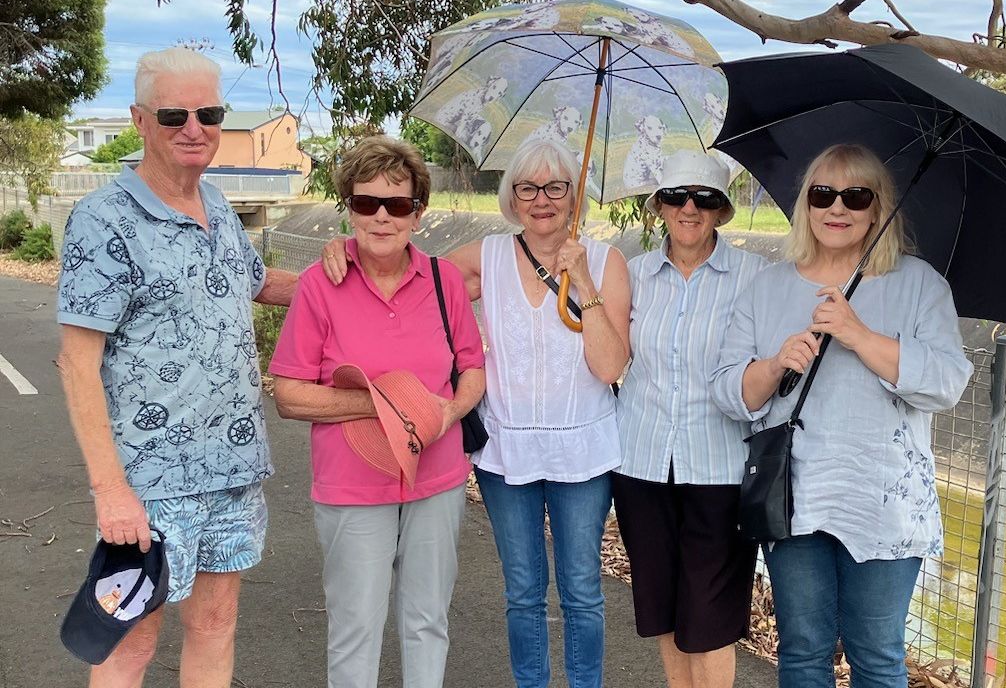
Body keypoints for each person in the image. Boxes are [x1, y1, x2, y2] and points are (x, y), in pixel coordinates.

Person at [320, 138, 631, 688]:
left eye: (555, 187)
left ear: (573, 194)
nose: (542, 200)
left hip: (582, 452)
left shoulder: (606, 263)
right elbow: (401, 270)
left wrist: (582, 281)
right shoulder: (485, 258)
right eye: (527, 188)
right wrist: (347, 248)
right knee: (523, 592)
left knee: (582, 589)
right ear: (512, 197)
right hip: (506, 452)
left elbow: (609, 368)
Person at [56, 47, 299, 688]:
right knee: (130, 643)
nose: (194, 127)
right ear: (139, 120)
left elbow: (256, 282)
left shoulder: (217, 205)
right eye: (174, 114)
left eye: (209, 112)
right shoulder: (103, 220)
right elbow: (76, 363)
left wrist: (350, 276)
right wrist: (111, 491)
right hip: (150, 479)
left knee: (216, 623)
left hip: (234, 467)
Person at [711, 143, 973, 688]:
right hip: (796, 499)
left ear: (878, 208)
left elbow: (948, 382)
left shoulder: (919, 284)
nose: (838, 208)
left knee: (876, 655)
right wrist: (776, 363)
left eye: (856, 196)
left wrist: (858, 334)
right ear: (804, 204)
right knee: (803, 651)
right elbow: (728, 390)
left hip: (884, 504)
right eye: (822, 194)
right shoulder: (769, 286)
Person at [268, 136, 486, 688]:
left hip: (435, 479)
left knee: (426, 621)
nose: (382, 217)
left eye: (398, 204)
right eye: (367, 204)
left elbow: (472, 368)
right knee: (355, 628)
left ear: (419, 212)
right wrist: (387, 404)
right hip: (352, 486)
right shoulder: (321, 284)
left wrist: (447, 410)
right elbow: (289, 393)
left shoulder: (443, 282)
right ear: (349, 208)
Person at [611, 150, 766, 688]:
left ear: (722, 210)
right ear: (659, 206)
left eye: (705, 198)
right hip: (641, 461)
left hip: (718, 467)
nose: (689, 208)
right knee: (663, 606)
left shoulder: (755, 276)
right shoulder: (633, 275)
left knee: (710, 616)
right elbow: (604, 349)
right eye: (676, 196)